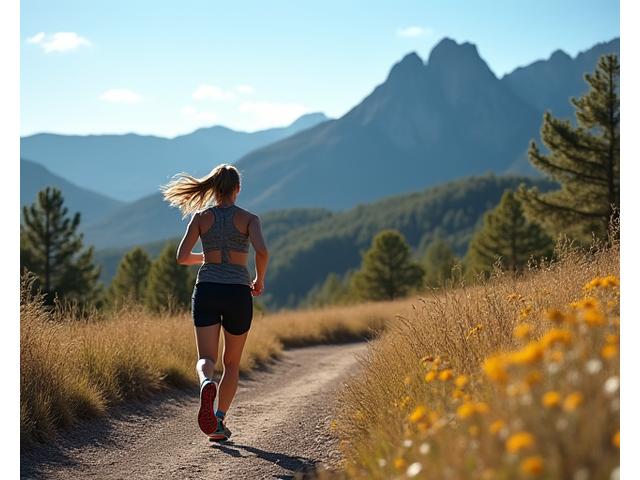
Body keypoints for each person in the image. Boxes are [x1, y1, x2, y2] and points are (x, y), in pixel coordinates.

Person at [160, 163, 269, 441]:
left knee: (205, 359)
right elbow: (263, 251)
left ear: (213, 189)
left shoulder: (200, 217)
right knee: (231, 363)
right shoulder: (249, 219)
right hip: (237, 292)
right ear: (237, 189)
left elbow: (182, 257)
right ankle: (218, 420)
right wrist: (258, 280)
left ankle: (205, 382)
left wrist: (207, 258)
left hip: (207, 288)